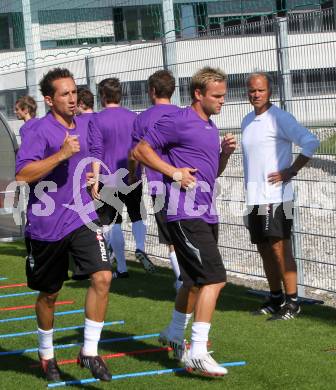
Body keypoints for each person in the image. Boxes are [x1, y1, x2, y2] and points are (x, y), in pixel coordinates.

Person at [133, 67, 236, 376]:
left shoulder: (210, 126)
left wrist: (225, 155)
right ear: (198, 94)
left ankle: (174, 334)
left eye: (224, 95)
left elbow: (210, 173)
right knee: (214, 278)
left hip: (206, 211)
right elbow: (140, 150)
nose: (222, 101)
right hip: (184, 213)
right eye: (217, 96)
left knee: (192, 281)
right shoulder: (178, 120)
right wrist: (172, 172)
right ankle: (198, 351)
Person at [15, 68, 112, 382]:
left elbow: (91, 151)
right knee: (49, 294)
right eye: (65, 94)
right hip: (46, 225)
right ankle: (47, 355)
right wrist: (60, 155)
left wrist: (91, 171)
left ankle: (89, 351)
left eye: (74, 92)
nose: (73, 99)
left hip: (82, 215)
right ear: (48, 99)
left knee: (103, 275)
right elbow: (23, 175)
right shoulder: (37, 130)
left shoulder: (85, 123)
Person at [241, 71, 320, 320]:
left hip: (277, 196)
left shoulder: (280, 118)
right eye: (252, 90)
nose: (256, 94)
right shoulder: (246, 120)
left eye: (260, 90)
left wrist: (291, 170)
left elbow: (311, 141)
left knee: (279, 248)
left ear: (269, 92)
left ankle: (293, 302)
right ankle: (275, 298)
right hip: (254, 197)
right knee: (264, 249)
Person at [88, 77, 155, 279]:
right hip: (132, 174)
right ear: (120, 95)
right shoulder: (133, 117)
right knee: (136, 213)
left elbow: (96, 151)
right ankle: (141, 247)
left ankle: (122, 268)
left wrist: (95, 180)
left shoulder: (97, 119)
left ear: (102, 96)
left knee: (112, 221)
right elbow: (140, 147)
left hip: (108, 178)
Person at [132, 70, 182, 290]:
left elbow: (135, 153)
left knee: (170, 236)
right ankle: (191, 276)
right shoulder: (184, 114)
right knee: (188, 231)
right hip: (185, 180)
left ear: (152, 91)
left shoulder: (142, 118)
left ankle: (182, 279)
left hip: (158, 184)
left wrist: (133, 173)